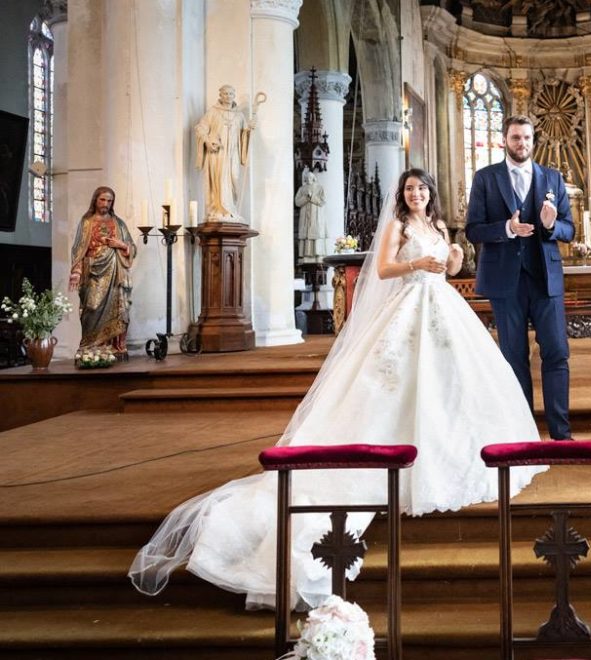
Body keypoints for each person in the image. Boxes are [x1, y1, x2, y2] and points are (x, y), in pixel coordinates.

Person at [130, 168, 547, 609]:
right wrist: (417, 264)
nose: (417, 194)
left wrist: (454, 256)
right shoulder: (398, 225)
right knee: (394, 389)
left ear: (431, 193)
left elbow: (450, 267)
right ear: (402, 194)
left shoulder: (440, 225)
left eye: (422, 188)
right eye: (410, 188)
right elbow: (385, 269)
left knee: (455, 387)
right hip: (409, 308)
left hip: (444, 307)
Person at [464, 115, 574, 441]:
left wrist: (553, 225)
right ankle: (523, 433)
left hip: (545, 278)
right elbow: (473, 228)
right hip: (505, 280)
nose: (521, 143)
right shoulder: (485, 178)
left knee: (556, 352)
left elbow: (569, 229)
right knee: (513, 357)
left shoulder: (552, 178)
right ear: (504, 140)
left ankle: (561, 433)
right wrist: (507, 229)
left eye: (526, 138)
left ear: (533, 141)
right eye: (515, 138)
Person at [68, 186, 136, 355]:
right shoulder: (87, 222)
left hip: (115, 272)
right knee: (92, 307)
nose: (106, 203)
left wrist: (120, 245)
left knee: (118, 308)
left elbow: (132, 246)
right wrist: (76, 272)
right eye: (102, 199)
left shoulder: (118, 223)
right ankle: (89, 347)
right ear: (95, 200)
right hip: (92, 272)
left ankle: (113, 347)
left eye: (109, 200)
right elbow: (78, 249)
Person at [195, 84, 254, 222]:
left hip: (233, 154)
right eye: (225, 93)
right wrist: (207, 141)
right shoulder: (213, 112)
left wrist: (248, 130)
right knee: (218, 179)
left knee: (234, 177)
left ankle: (231, 209)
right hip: (218, 154)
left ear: (234, 96)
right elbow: (200, 128)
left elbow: (244, 134)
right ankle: (218, 210)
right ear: (220, 95)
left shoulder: (239, 115)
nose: (228, 96)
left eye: (231, 94)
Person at [295, 168, 326, 262]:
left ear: (313, 178)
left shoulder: (319, 187)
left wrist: (312, 197)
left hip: (315, 215)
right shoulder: (302, 189)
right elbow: (297, 202)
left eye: (310, 177)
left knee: (315, 234)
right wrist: (306, 197)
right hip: (305, 215)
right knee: (305, 235)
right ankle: (305, 255)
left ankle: (317, 255)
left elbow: (322, 201)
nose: (308, 179)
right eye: (306, 177)